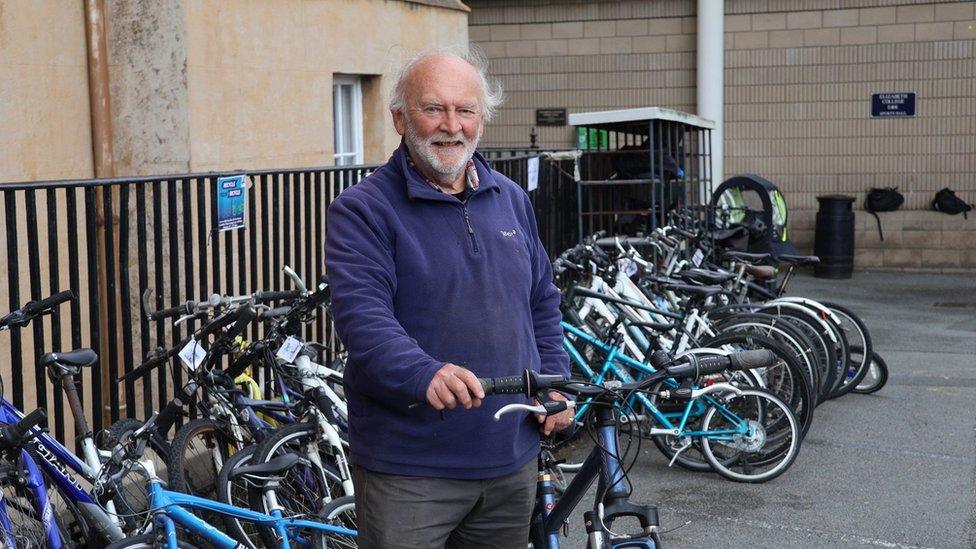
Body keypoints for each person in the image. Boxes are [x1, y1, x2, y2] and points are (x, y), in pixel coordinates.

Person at [325, 48, 572, 549]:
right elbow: (364, 320)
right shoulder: (362, 209)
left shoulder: (511, 199)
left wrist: (555, 384)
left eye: (466, 110)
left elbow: (541, 302)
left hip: (511, 459)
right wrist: (424, 373)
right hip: (412, 472)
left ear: (483, 118)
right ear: (399, 117)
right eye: (433, 108)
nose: (451, 126)